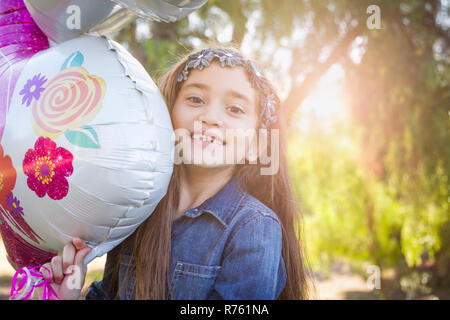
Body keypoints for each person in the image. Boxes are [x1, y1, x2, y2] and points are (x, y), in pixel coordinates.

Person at [35, 46, 313, 300]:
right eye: (195, 99)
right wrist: (68, 296)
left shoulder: (254, 226)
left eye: (235, 109)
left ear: (256, 145)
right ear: (165, 114)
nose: (210, 117)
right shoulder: (139, 209)